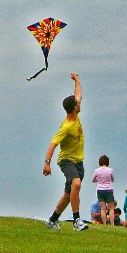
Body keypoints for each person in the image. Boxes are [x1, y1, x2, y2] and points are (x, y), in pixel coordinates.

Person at [42, 72, 88, 231]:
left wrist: (76, 80)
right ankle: (77, 222)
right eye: (78, 103)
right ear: (75, 108)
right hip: (67, 160)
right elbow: (53, 144)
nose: (79, 102)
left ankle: (52, 220)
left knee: (69, 194)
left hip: (78, 162)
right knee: (76, 183)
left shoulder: (76, 114)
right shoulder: (67, 126)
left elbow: (78, 94)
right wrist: (47, 163)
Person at [91, 155, 115, 225]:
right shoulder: (110, 170)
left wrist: (99, 180)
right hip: (108, 189)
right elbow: (112, 179)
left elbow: (93, 179)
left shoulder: (97, 170)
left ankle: (104, 223)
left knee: (103, 208)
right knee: (111, 208)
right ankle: (112, 224)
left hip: (100, 189)